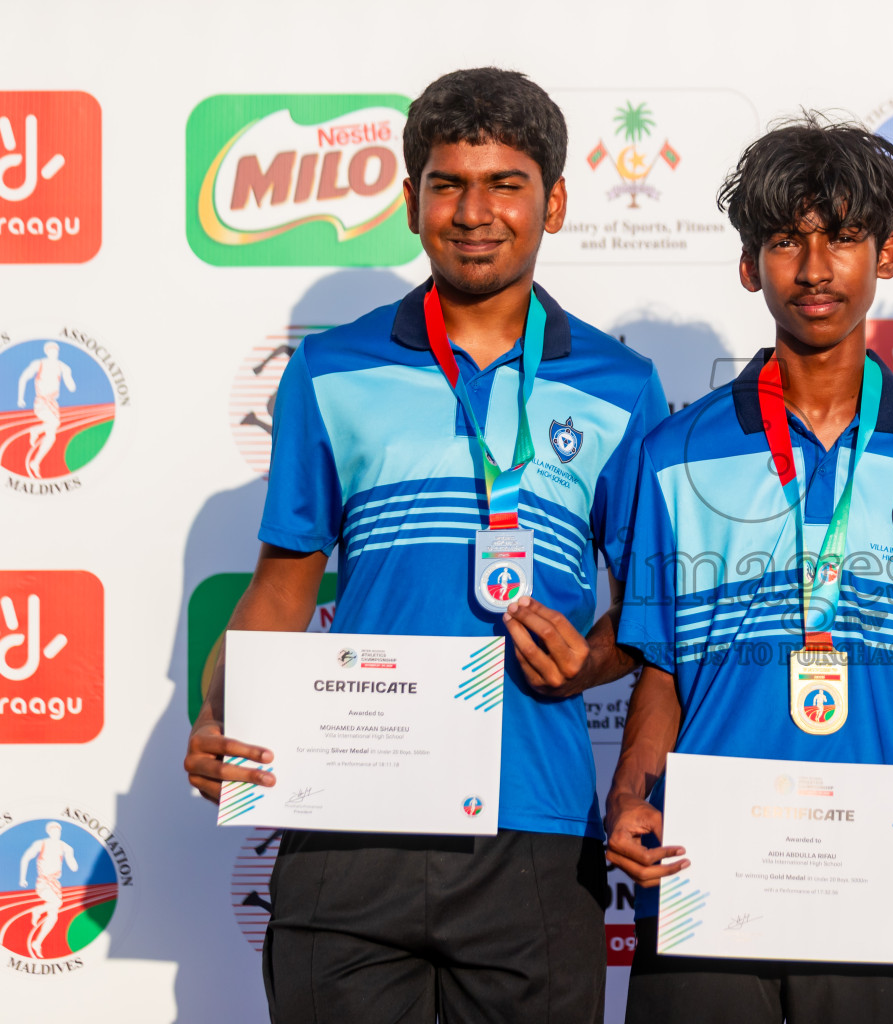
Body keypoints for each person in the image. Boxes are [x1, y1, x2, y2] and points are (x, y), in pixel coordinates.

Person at [183, 67, 668, 1024]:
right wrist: (216, 712)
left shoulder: (624, 385)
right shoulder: (332, 366)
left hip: (531, 823)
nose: (474, 211)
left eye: (506, 184)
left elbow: (653, 616)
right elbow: (283, 586)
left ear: (555, 201)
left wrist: (589, 663)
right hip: (349, 822)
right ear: (412, 203)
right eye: (447, 184)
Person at [605, 114, 893, 1024]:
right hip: (706, 883)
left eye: (844, 237)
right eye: (786, 242)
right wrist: (626, 792)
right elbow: (660, 663)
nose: (814, 270)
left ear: (887, 254)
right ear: (749, 266)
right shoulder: (673, 450)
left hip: (878, 883)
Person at [16, 340, 75, 479]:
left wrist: (69, 378)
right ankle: (35, 430)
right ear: (46, 351)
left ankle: (35, 462)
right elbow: (23, 379)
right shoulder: (39, 363)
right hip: (41, 402)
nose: (54, 353)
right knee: (54, 424)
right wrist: (20, 398)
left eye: (56, 351)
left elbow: (71, 385)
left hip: (53, 404)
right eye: (51, 350)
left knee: (51, 437)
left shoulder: (63, 367)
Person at [19, 821, 77, 958]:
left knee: (53, 917)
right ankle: (37, 910)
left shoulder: (65, 846)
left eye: (58, 830)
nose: (56, 832)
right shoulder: (41, 844)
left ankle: (37, 943)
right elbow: (25, 859)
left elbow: (73, 867)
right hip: (44, 882)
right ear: (49, 831)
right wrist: (22, 878)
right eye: (54, 830)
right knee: (57, 903)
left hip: (55, 884)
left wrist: (71, 855)